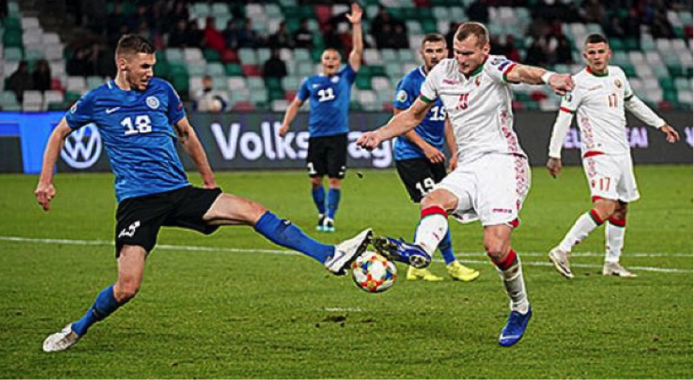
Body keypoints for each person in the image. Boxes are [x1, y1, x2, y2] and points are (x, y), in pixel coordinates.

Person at [37, 35, 373, 353]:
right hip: (138, 203)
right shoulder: (98, 99)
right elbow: (59, 135)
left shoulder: (162, 91)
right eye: (144, 67)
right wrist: (45, 181)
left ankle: (329, 255)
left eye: (153, 66)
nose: (150, 73)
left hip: (180, 191)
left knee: (252, 210)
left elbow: (186, 134)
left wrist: (209, 179)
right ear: (123, 65)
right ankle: (77, 328)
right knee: (127, 288)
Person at [357, 22, 574, 347]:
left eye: (467, 53)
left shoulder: (494, 67)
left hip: (503, 162)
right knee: (433, 198)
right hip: (470, 166)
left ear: (484, 50)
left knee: (495, 248)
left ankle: (520, 307)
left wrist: (550, 77)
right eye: (456, 52)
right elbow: (413, 115)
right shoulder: (441, 73)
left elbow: (524, 73)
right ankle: (421, 251)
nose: (460, 59)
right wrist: (379, 133)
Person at [546, 34, 680, 279]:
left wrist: (660, 123)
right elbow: (563, 119)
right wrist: (554, 154)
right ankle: (562, 249)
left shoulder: (618, 75)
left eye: (600, 51)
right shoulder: (577, 83)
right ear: (585, 56)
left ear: (609, 53)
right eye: (592, 53)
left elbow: (633, 102)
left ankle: (612, 262)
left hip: (621, 150)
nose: (597, 57)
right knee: (606, 206)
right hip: (598, 152)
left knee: (621, 207)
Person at [392, 33, 480, 283]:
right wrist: (425, 147)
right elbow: (400, 121)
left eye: (439, 50)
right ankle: (450, 263)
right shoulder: (410, 82)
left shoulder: (448, 82)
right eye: (430, 50)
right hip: (410, 156)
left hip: (437, 155)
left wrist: (455, 153)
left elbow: (448, 121)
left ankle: (417, 266)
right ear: (422, 53)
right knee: (435, 206)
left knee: (440, 209)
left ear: (447, 53)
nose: (435, 55)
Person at [279, 4, 363, 233]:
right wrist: (286, 123)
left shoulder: (346, 77)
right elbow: (296, 103)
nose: (330, 61)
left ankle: (330, 218)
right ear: (322, 61)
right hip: (316, 136)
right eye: (327, 58)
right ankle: (321, 212)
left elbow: (357, 53)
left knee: (335, 180)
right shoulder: (310, 82)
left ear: (339, 62)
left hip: (337, 136)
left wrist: (356, 26)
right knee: (315, 179)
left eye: (334, 59)